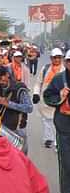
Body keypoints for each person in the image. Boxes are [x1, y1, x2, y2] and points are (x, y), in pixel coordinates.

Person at [43, 49, 70, 193]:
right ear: (66, 63)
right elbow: (47, 96)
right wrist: (60, 96)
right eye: (69, 61)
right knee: (66, 163)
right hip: (64, 126)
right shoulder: (59, 79)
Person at [0, 65, 33, 154]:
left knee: (21, 157)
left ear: (7, 74)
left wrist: (8, 104)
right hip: (3, 129)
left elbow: (29, 108)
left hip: (18, 129)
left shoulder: (19, 88)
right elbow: (1, 106)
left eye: (0, 78)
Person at [33, 48, 65, 149]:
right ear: (51, 58)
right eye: (55, 58)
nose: (56, 60)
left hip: (60, 99)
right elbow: (38, 83)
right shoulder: (45, 68)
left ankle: (57, 142)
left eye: (59, 58)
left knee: (58, 121)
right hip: (45, 100)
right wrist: (36, 94)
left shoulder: (65, 70)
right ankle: (48, 138)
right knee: (46, 120)